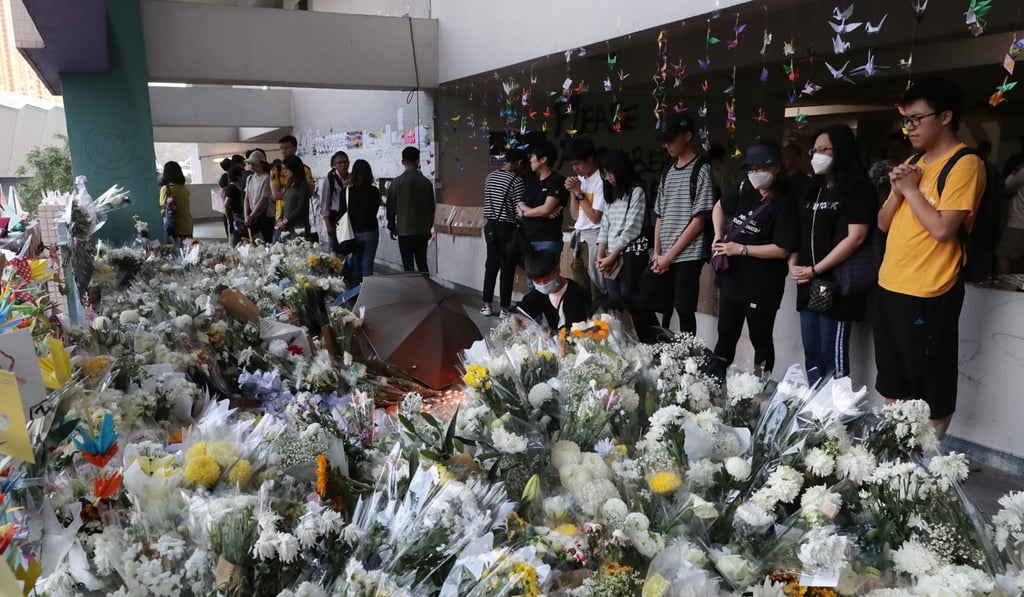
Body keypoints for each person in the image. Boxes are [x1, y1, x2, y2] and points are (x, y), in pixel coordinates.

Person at [875, 78, 986, 439]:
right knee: (893, 379)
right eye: (906, 120)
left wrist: (910, 189)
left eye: (917, 119)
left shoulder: (965, 164)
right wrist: (896, 192)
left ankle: (925, 472)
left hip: (930, 290)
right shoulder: (912, 162)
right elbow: (883, 222)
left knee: (931, 385)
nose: (909, 128)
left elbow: (942, 230)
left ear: (946, 116)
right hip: (890, 283)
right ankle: (893, 462)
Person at [789, 125, 877, 385]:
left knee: (832, 356)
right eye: (814, 150)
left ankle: (837, 419)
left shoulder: (857, 187)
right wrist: (794, 264)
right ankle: (815, 413)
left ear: (841, 150)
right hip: (808, 282)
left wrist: (817, 269)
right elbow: (798, 230)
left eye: (823, 149)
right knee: (813, 353)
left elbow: (857, 236)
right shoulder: (812, 188)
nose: (817, 155)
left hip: (837, 283)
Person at [710, 142, 799, 375]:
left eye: (760, 168)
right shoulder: (744, 190)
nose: (754, 174)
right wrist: (718, 236)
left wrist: (741, 249)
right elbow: (718, 206)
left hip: (762, 284)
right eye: (750, 169)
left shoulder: (785, 202)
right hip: (732, 279)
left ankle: (760, 391)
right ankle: (714, 385)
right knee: (726, 336)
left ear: (777, 168)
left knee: (760, 339)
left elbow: (782, 249)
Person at [651, 112, 716, 336]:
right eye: (664, 139)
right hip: (664, 254)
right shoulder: (668, 170)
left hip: (688, 254)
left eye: (671, 139)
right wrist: (658, 253)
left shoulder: (701, 170)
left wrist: (668, 257)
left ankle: (688, 361)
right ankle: (665, 353)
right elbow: (659, 214)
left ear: (687, 136)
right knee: (659, 305)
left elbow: (698, 222)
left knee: (684, 309)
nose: (666, 144)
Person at [595, 148, 657, 337]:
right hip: (610, 259)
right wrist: (600, 254)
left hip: (628, 257)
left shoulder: (636, 192)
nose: (608, 178)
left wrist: (611, 255)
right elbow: (604, 226)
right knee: (616, 305)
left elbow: (632, 228)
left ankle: (645, 338)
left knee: (631, 301)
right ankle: (624, 341)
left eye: (610, 172)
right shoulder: (610, 196)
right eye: (604, 174)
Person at [481, 148, 528, 317]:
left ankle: (486, 305)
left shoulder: (490, 176)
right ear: (520, 162)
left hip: (490, 227)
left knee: (491, 265)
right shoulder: (516, 181)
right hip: (507, 228)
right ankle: (504, 308)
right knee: (507, 268)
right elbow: (519, 210)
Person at [564, 136, 607, 303]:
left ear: (589, 158)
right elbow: (575, 216)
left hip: (596, 241)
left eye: (578, 164)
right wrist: (572, 192)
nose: (575, 169)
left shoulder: (602, 179)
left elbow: (596, 217)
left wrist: (579, 192)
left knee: (597, 293)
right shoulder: (580, 180)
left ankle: (601, 327)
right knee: (581, 294)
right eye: (572, 165)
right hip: (580, 240)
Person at [511, 250, 589, 334]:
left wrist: (549, 334)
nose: (543, 284)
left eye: (547, 279)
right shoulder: (539, 292)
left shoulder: (574, 293)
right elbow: (522, 309)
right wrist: (515, 317)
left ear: (557, 270)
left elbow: (573, 328)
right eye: (537, 282)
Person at [386, 146, 436, 274]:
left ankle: (411, 292)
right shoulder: (426, 183)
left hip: (404, 230)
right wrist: (429, 227)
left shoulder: (396, 182)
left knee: (408, 266)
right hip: (422, 230)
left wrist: (392, 226)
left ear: (403, 162)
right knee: (422, 262)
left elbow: (390, 207)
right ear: (418, 161)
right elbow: (431, 208)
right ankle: (427, 290)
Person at [517, 140, 568, 254]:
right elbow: (520, 204)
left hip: (547, 239)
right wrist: (541, 213)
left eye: (533, 156)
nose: (530, 160)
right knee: (529, 271)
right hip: (528, 238)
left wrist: (525, 214)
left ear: (543, 159)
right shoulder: (532, 181)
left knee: (546, 271)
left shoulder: (557, 180)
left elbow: (546, 208)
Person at [270, 135, 316, 241]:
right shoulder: (276, 170)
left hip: (298, 221)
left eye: (287, 147)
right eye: (281, 148)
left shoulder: (305, 170)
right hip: (281, 218)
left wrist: (291, 193)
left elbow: (308, 194)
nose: (283, 151)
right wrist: (282, 219)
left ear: (295, 148)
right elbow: (276, 195)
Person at [345, 159, 382, 285]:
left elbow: (345, 212)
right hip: (371, 230)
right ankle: (368, 292)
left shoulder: (349, 192)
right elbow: (376, 209)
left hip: (354, 232)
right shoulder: (374, 191)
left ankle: (356, 293)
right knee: (368, 264)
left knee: (356, 263)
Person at [318, 151, 351, 254]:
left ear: (349, 163)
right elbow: (325, 204)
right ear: (334, 165)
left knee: (348, 249)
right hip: (335, 218)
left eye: (345, 162)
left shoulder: (352, 178)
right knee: (334, 251)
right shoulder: (330, 179)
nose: (343, 165)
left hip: (349, 218)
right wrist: (328, 225)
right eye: (339, 162)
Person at [868, 132, 913, 205]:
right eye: (890, 146)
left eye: (897, 147)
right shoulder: (878, 166)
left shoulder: (908, 166)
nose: (893, 150)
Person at [275, 155, 312, 240]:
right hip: (287, 227)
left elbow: (301, 207)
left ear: (294, 168)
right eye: (283, 169)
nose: (284, 172)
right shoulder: (289, 185)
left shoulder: (303, 186)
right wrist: (280, 218)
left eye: (286, 169)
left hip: (298, 228)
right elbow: (285, 205)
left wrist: (286, 220)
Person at [997, 162, 1024, 275]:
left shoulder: (1022, 172)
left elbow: (1006, 187)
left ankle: (1005, 289)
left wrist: (1014, 171)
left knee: (1003, 256)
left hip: (1019, 222)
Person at [243, 150, 275, 243]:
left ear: (261, 163)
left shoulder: (266, 178)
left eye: (254, 163)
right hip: (252, 217)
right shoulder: (250, 178)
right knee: (254, 243)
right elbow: (246, 198)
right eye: (249, 164)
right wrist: (246, 215)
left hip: (264, 217)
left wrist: (252, 215)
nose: (251, 166)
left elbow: (263, 199)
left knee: (265, 242)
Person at [159, 161, 193, 244]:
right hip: (188, 225)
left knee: (176, 254)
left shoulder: (165, 189)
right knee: (188, 253)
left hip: (175, 227)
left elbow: (163, 210)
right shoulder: (184, 188)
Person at [223, 166, 247, 246]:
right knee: (238, 240)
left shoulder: (239, 187)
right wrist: (229, 218)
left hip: (241, 216)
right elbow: (226, 205)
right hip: (237, 217)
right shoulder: (232, 188)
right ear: (238, 177)